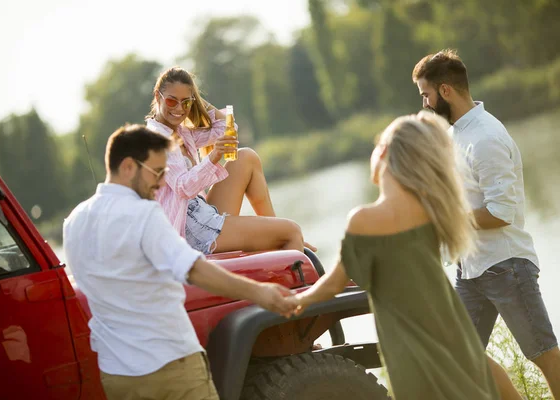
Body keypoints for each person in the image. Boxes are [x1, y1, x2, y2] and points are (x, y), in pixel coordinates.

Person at [63, 124, 297, 400]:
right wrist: (260, 292)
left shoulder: (74, 222)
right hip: (171, 365)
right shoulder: (143, 213)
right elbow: (195, 269)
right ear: (128, 167)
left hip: (117, 377)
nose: (162, 183)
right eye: (158, 172)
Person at [287, 112, 499, 399]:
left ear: (384, 151)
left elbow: (335, 284)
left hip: (408, 343)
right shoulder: (434, 207)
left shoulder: (363, 220)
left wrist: (299, 300)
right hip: (452, 328)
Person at [413, 49, 560, 398]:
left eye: (426, 94)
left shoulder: (486, 137)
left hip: (506, 267)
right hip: (471, 269)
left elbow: (500, 212)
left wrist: (446, 220)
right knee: (460, 354)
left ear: (445, 90)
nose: (425, 104)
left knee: (544, 354)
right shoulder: (455, 135)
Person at [145, 66, 315, 255]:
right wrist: (214, 156)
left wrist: (196, 100)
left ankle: (276, 235)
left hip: (201, 213)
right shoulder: (156, 140)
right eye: (171, 101)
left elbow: (226, 128)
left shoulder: (182, 132)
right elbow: (183, 187)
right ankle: (282, 240)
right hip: (191, 230)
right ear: (158, 96)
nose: (178, 109)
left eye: (185, 103)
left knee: (246, 157)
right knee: (291, 230)